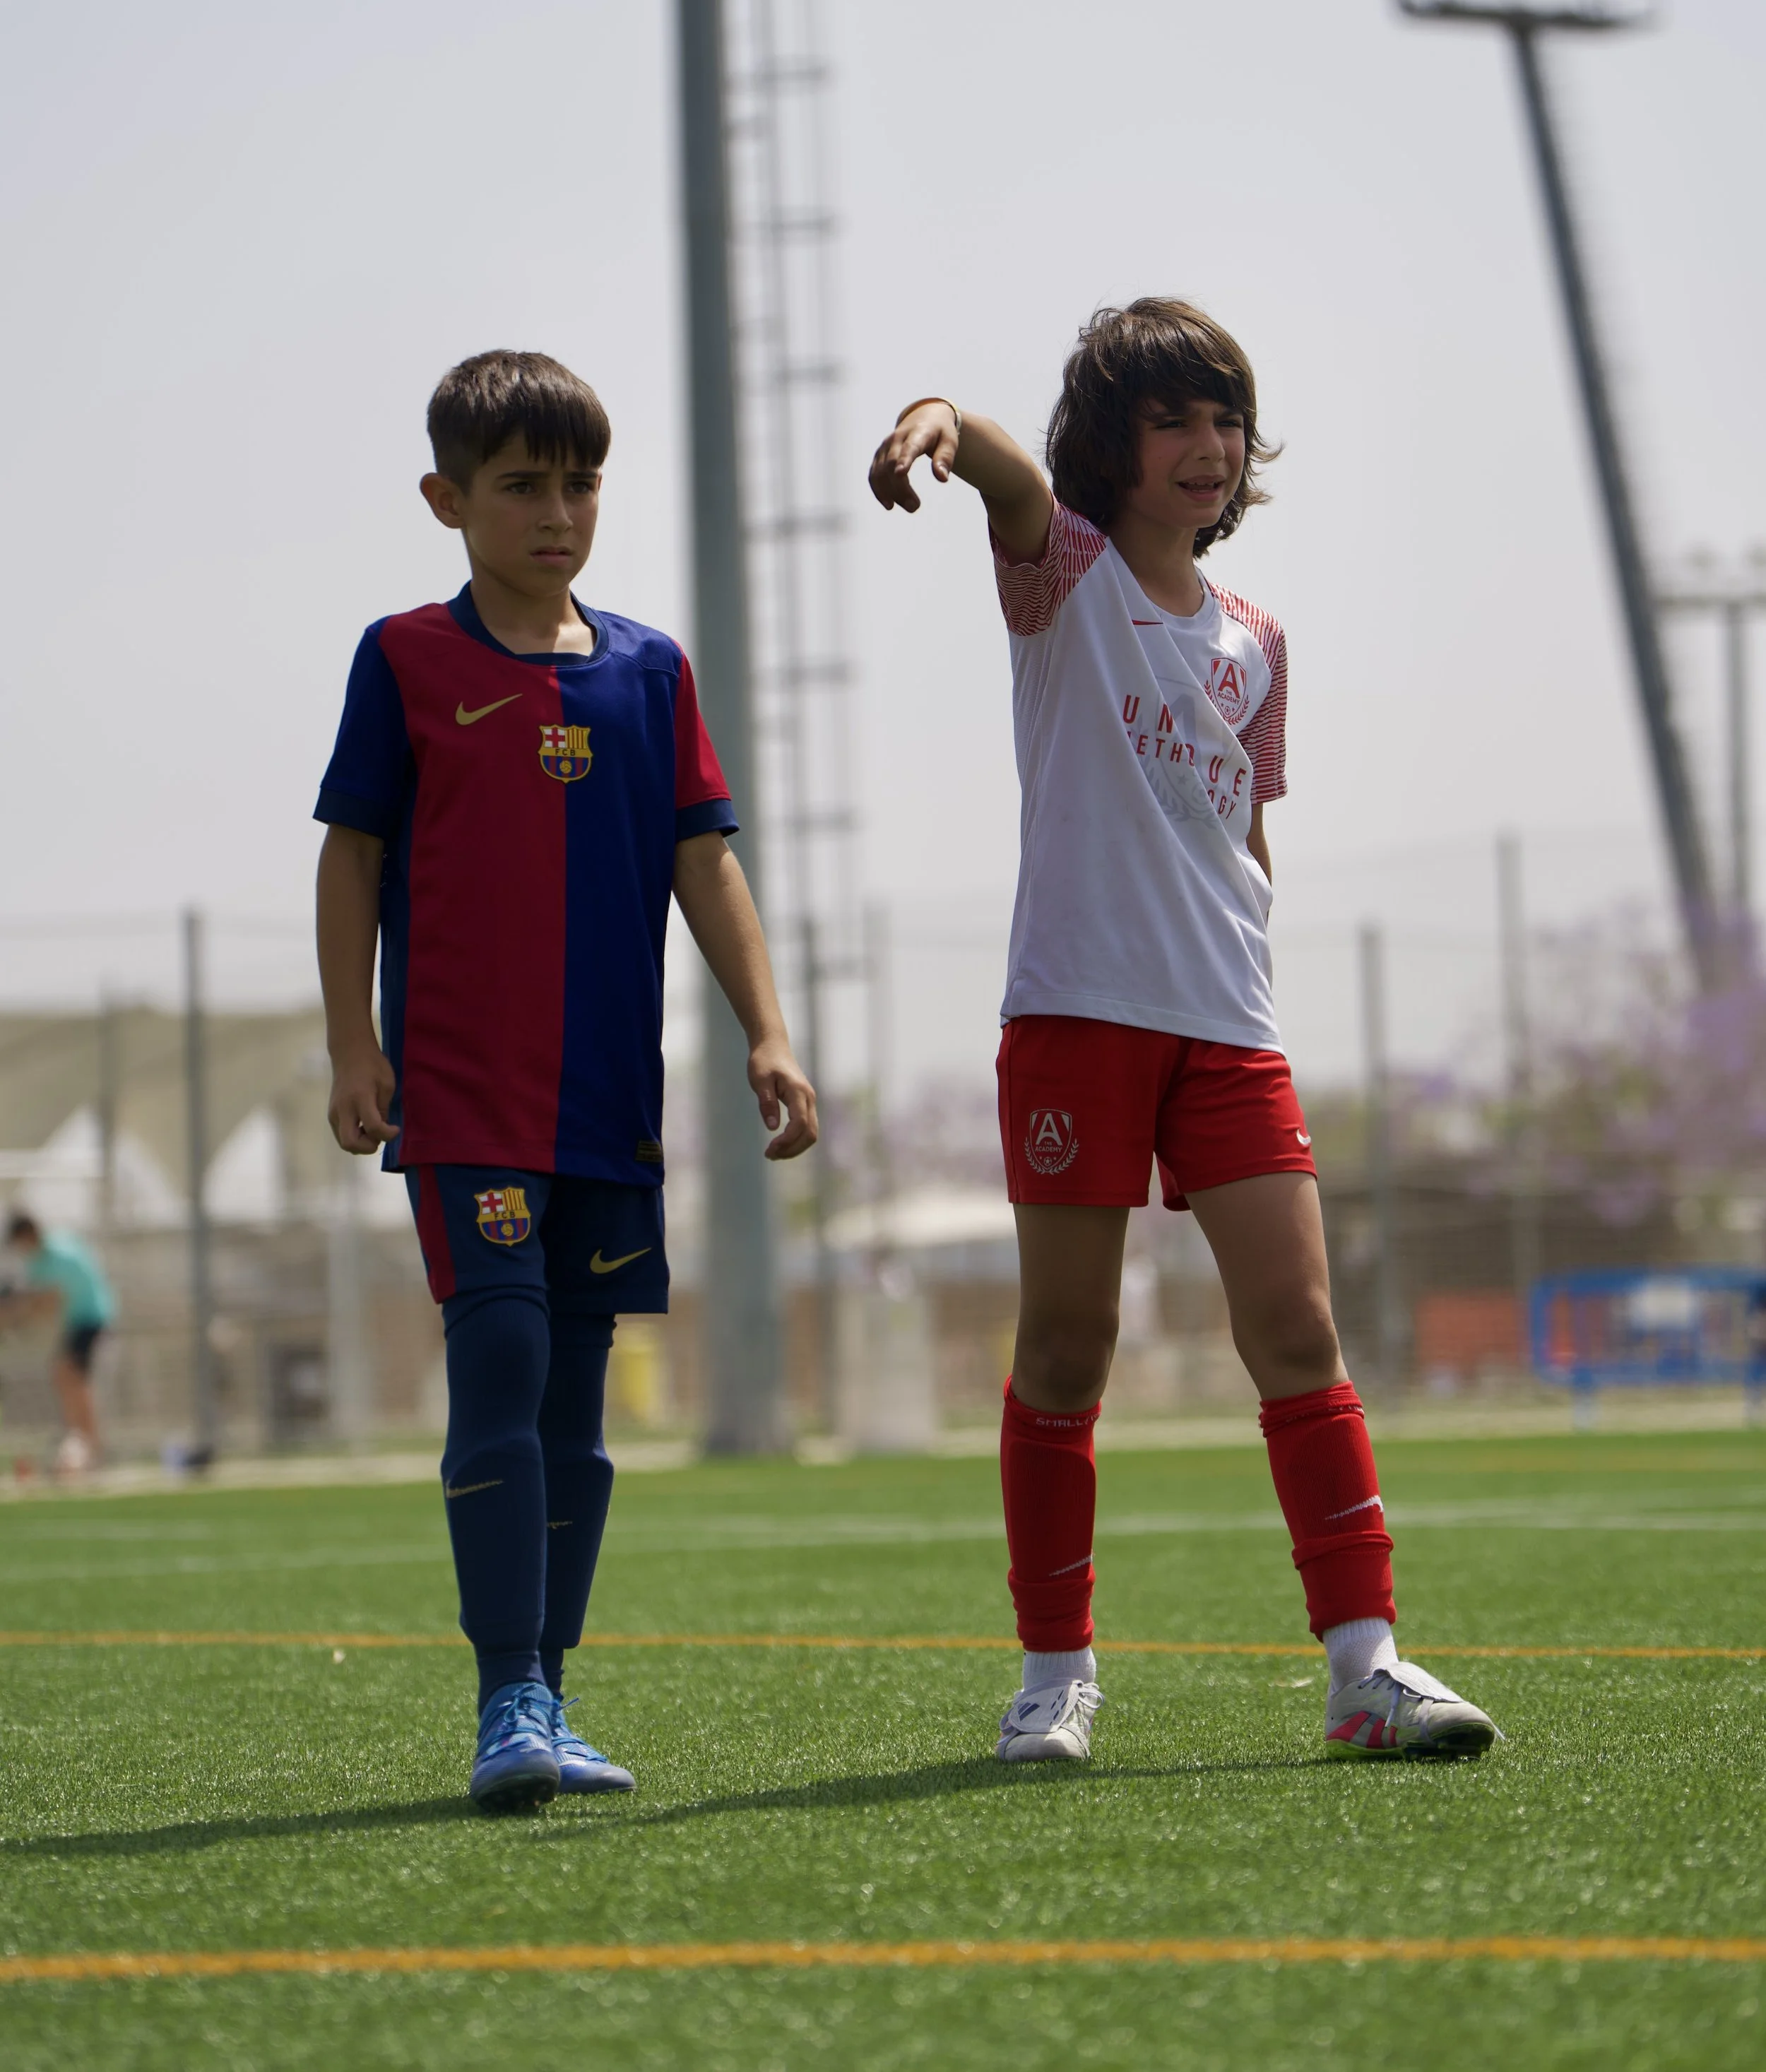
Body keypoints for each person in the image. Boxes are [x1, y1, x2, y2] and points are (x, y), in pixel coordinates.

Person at [867, 300, 1497, 1765]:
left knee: (1296, 1327)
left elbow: (1243, 825)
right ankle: (1053, 1672)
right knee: (1069, 1345)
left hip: (1227, 1025)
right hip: (1078, 1014)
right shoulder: (1065, 579)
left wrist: (1252, 954)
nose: (1207, 447)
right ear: (1113, 446)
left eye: (1223, 418)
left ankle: (1366, 1667)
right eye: (1173, 421)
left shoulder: (1258, 639)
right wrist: (940, 426)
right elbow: (1017, 487)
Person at [315, 350, 817, 1811]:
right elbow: (350, 852)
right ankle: (505, 1695)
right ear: (446, 499)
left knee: (578, 1417)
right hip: (466, 1096)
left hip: (607, 1101)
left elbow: (703, 858)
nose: (556, 510)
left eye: (578, 480)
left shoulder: (651, 669)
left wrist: (765, 1031)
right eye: (521, 483)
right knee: (506, 1357)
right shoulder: (406, 656)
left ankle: (551, 1683)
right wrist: (357, 1041)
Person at [0, 1210, 116, 1474]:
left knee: (71, 1377)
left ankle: (89, 1444)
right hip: (78, 1321)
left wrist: (12, 1318)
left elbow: (45, 1301)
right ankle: (81, 1440)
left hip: (93, 1318)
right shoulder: (40, 1260)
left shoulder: (60, 1253)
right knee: (65, 1375)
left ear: (27, 1234)